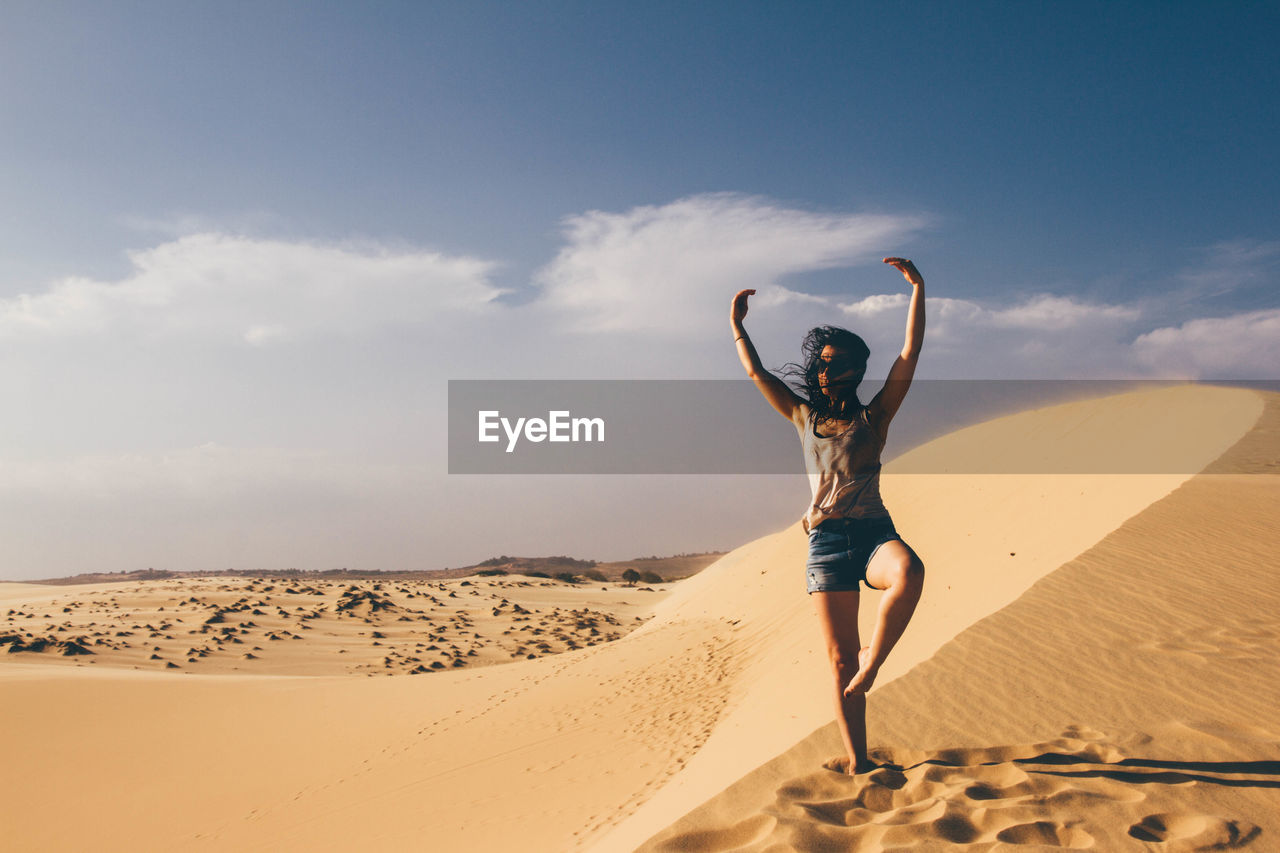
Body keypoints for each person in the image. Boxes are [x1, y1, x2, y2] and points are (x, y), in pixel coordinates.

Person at [730, 257, 926, 775]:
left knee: (909, 574)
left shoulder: (874, 415)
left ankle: (872, 665)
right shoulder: (804, 416)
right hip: (826, 545)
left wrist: (917, 291)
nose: (826, 370)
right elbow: (757, 373)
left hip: (873, 532)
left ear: (858, 370)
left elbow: (909, 354)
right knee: (838, 661)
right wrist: (737, 328)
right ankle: (860, 762)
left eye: (838, 362)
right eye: (823, 362)